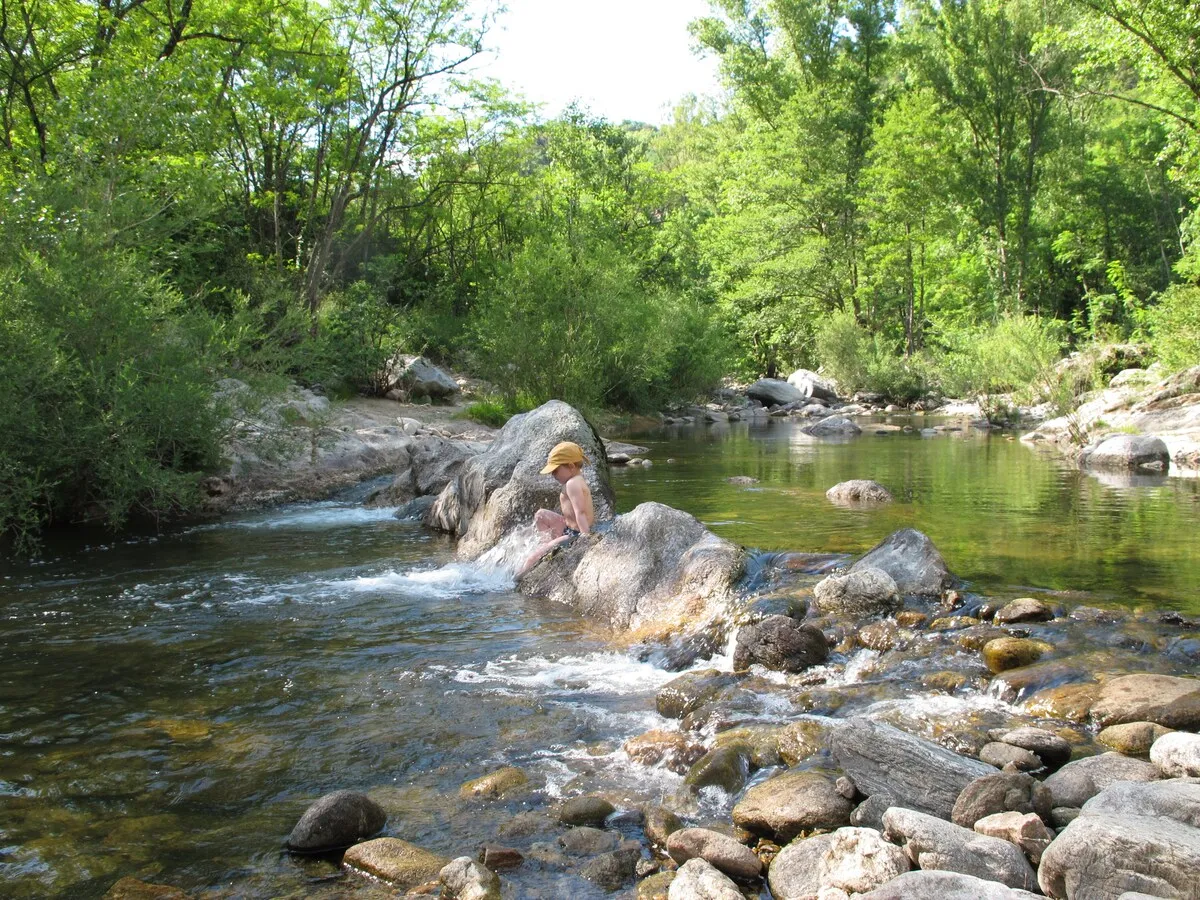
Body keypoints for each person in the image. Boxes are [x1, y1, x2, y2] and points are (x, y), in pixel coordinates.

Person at [516, 441, 595, 577]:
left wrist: (585, 539)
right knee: (541, 515)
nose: (553, 474)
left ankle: (515, 581)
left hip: (574, 535)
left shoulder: (572, 484)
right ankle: (547, 545)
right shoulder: (575, 480)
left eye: (555, 470)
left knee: (531, 559)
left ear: (570, 466)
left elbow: (580, 512)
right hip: (568, 527)